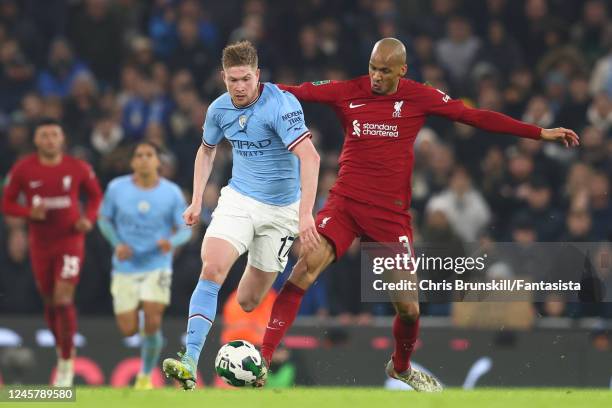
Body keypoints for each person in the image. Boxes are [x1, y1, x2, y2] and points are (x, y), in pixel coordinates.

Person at [257, 37, 580, 392]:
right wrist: (248, 89)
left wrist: (539, 133)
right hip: (345, 204)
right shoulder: (348, 91)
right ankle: (264, 359)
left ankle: (401, 367)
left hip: (389, 216)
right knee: (304, 267)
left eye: (384, 70)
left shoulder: (419, 96)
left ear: (401, 70)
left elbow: (475, 117)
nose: (376, 77)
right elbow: (294, 91)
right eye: (372, 68)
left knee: (409, 309)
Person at [162, 40, 320, 390]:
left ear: (257, 75)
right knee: (212, 267)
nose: (239, 87)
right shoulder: (218, 110)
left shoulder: (281, 104)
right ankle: (189, 360)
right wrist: (196, 199)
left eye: (246, 79)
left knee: (249, 302)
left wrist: (305, 215)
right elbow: (206, 151)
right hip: (239, 200)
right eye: (233, 80)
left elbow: (311, 158)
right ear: (223, 77)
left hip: (281, 213)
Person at [1, 118, 103, 387]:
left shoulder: (77, 167)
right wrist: (27, 213)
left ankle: (67, 363)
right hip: (40, 245)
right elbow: (7, 203)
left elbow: (95, 197)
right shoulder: (24, 169)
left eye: (54, 135)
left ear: (62, 139)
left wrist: (88, 219)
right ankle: (62, 349)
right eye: (44, 135)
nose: (49, 140)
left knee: (62, 298)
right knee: (49, 301)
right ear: (36, 140)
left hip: (69, 241)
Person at [97, 142, 191, 390]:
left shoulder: (171, 193)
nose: (144, 159)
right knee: (128, 330)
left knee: (152, 317)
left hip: (156, 265)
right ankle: (141, 321)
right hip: (125, 265)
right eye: (139, 155)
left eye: (149, 155)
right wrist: (117, 243)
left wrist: (170, 242)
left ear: (158, 162)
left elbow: (184, 227)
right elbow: (104, 219)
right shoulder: (117, 188)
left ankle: (144, 376)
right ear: (132, 162)